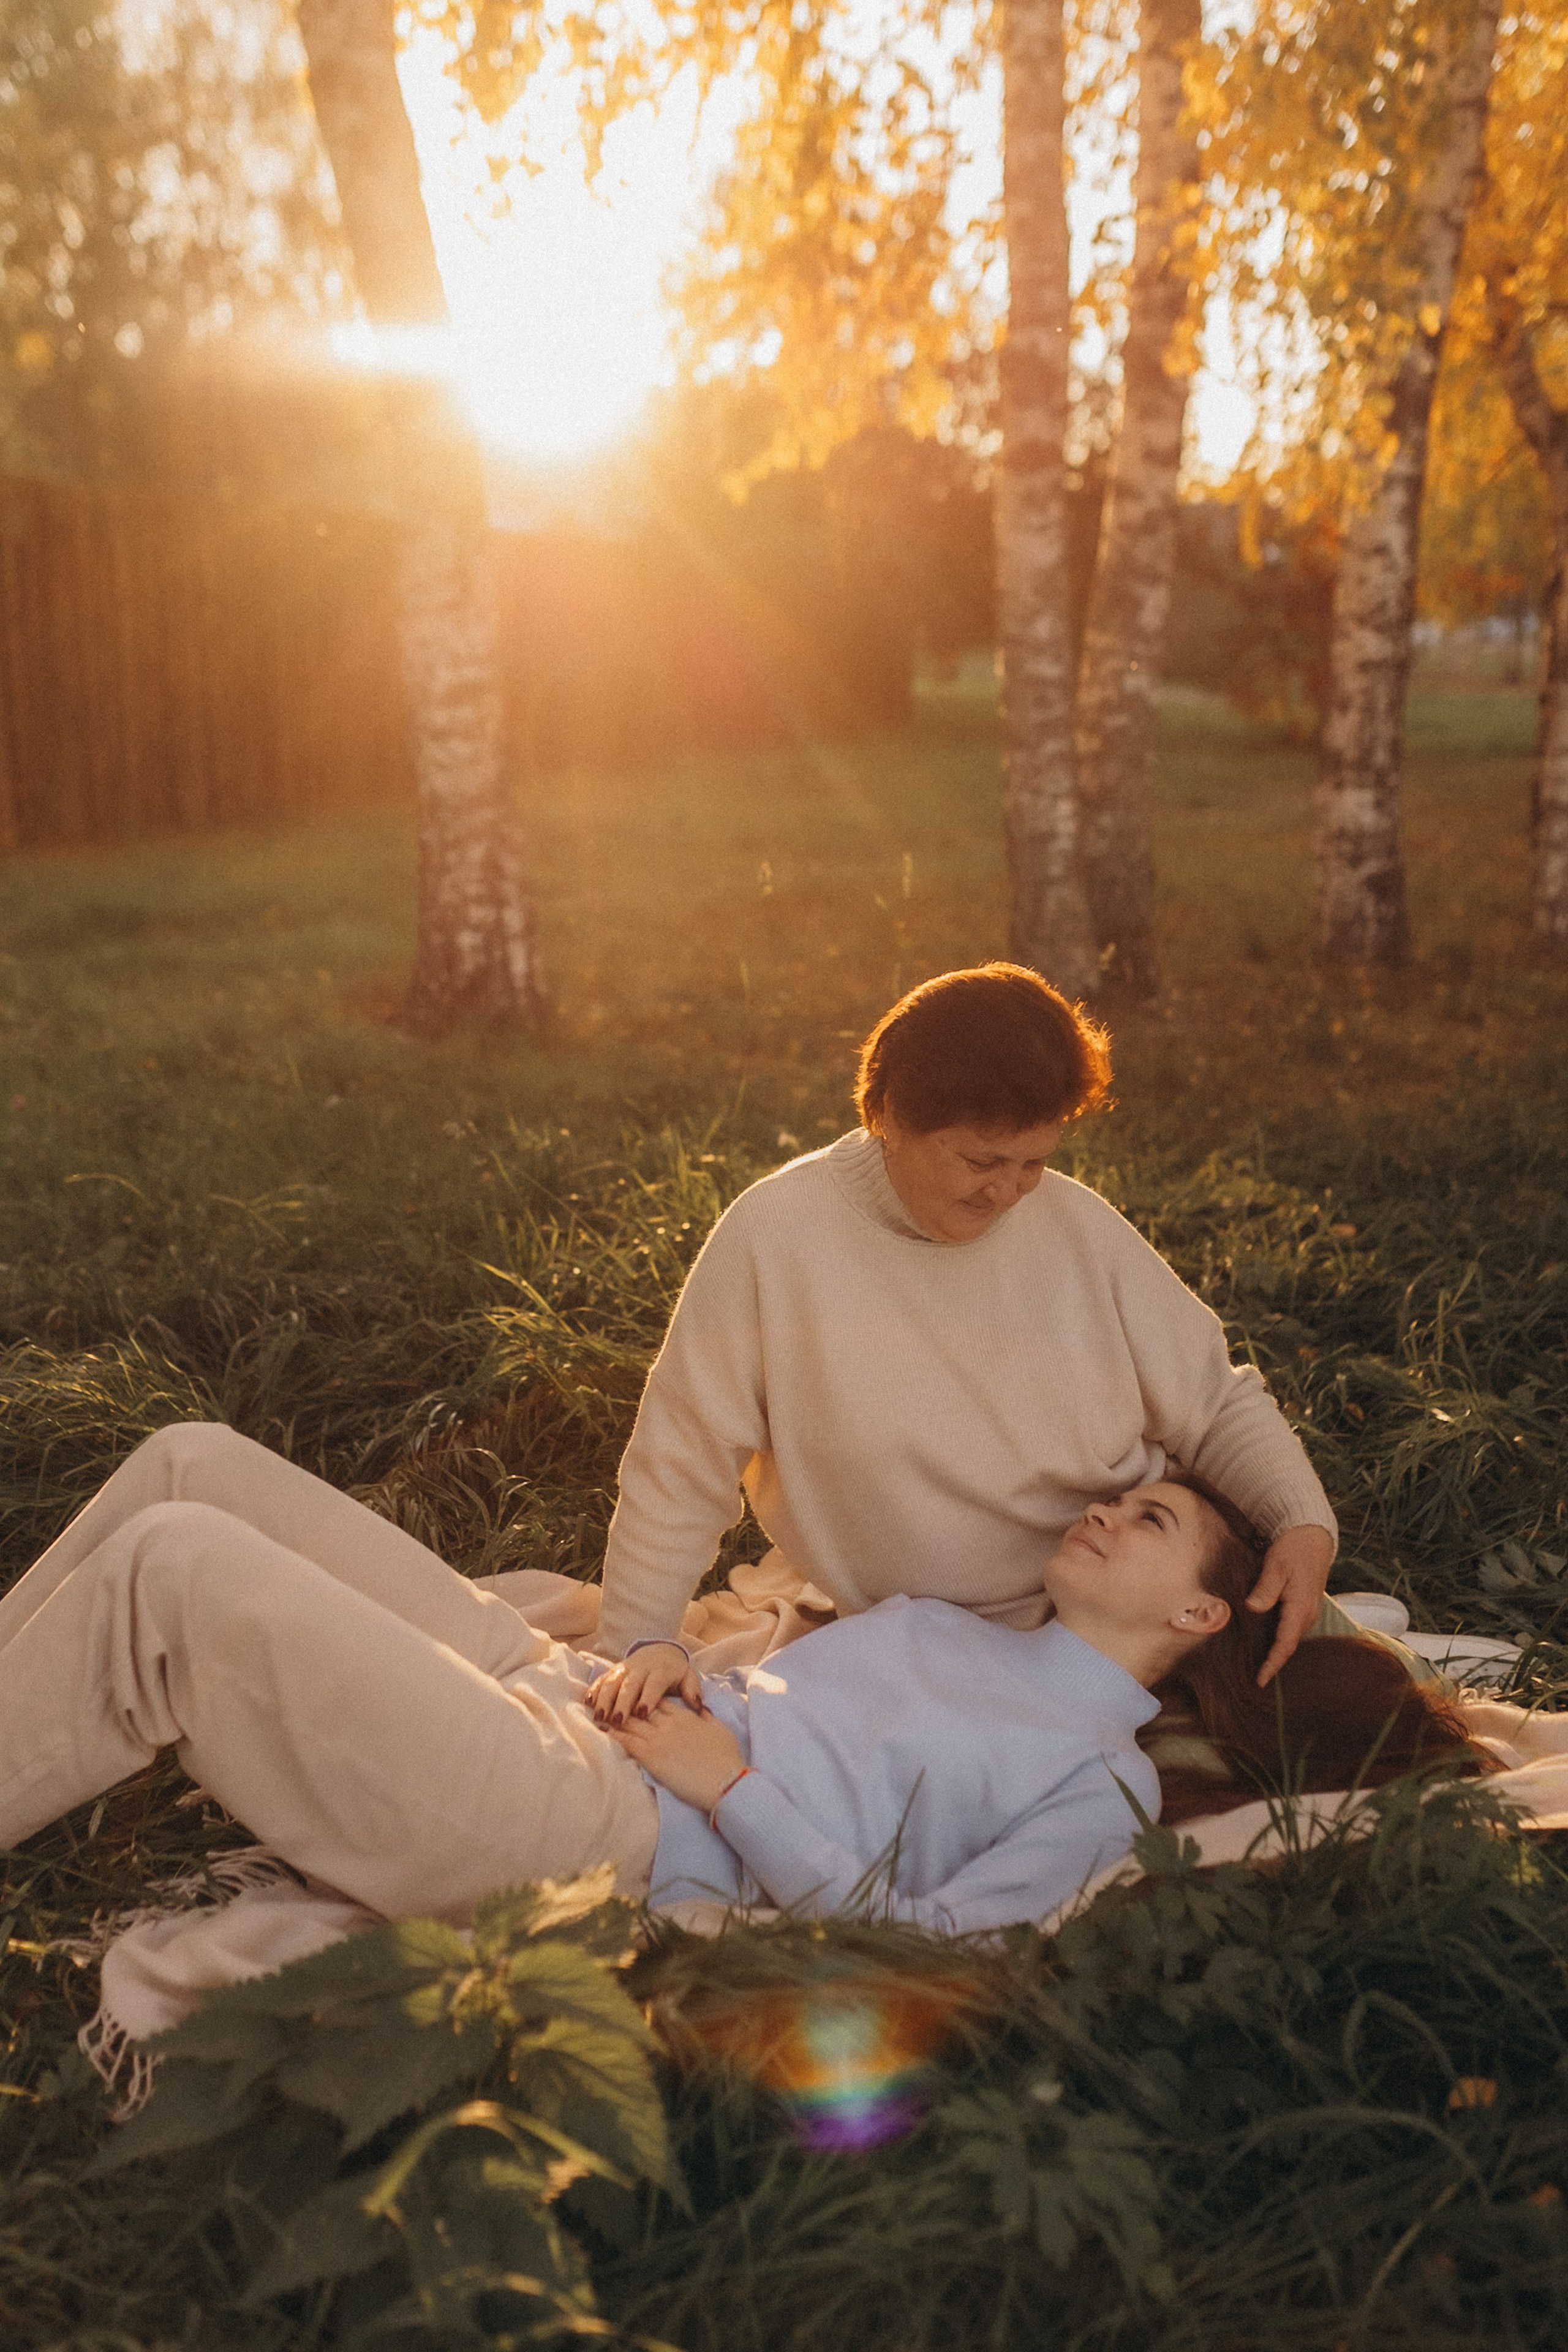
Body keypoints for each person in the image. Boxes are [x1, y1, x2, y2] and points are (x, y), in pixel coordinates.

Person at [0, 1429, 1484, 1942]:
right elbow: (754, 1685)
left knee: (178, 1566)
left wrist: (735, 1790)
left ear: (1192, 1606)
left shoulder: (1094, 1775)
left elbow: (942, 1944)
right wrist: (663, 1659)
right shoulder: (947, 1616)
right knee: (194, 1460)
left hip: (602, 1821)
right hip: (571, 1695)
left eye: (1149, 1517)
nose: (1106, 1508)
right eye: (1119, 1494)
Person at [587, 962, 1343, 1730]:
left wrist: (1300, 1522)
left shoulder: (1074, 1226)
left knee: (1344, 1723)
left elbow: (1212, 1402)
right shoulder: (774, 1240)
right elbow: (680, 1466)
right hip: (931, 1654)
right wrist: (638, 1643)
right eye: (981, 1161)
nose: (1009, 1192)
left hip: (1138, 1621)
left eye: (1034, 1163)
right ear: (885, 1114)